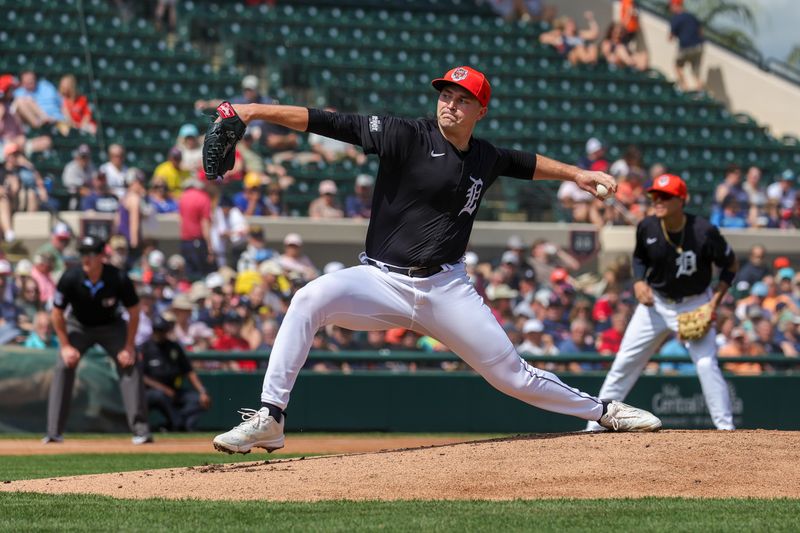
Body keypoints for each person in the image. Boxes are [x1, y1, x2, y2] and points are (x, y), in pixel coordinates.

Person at [209, 65, 661, 454]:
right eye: (446, 95)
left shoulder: (485, 156)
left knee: (513, 377)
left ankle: (605, 411)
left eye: (463, 100)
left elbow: (526, 162)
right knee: (309, 299)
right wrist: (253, 111)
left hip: (446, 289)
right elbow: (328, 121)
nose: (450, 104)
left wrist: (578, 174)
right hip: (381, 281)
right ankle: (271, 417)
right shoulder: (405, 134)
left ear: (480, 111)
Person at [587, 174, 737, 431]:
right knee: (624, 363)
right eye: (655, 195)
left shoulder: (704, 231)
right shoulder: (648, 226)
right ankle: (595, 427)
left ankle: (726, 430)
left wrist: (713, 304)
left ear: (682, 200)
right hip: (655, 305)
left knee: (705, 364)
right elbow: (639, 259)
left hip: (695, 303)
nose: (658, 200)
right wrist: (638, 282)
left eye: (665, 196)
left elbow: (730, 266)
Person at [44, 235, 151, 444]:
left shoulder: (117, 277)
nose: (86, 258)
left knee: (130, 363)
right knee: (63, 365)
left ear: (102, 255)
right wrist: (65, 346)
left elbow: (134, 311)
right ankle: (53, 431)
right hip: (79, 325)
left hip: (111, 326)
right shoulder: (70, 277)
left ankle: (141, 431)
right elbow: (57, 313)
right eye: (83, 253)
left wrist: (129, 346)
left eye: (91, 253)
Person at [140, 314, 211, 431]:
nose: (159, 334)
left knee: (197, 399)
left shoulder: (173, 347)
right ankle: (176, 423)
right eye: (157, 330)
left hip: (174, 389)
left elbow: (189, 371)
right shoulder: (145, 348)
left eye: (162, 330)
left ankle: (176, 424)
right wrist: (164, 389)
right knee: (160, 396)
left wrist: (202, 391)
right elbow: (142, 376)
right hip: (150, 392)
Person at [178, 178, 214, 278]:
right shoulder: (203, 198)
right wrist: (210, 247)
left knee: (189, 273)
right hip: (198, 241)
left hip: (185, 241)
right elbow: (205, 224)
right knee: (200, 274)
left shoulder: (183, 196)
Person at [669, 0, 704, 92]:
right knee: (695, 72)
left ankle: (685, 88)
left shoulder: (676, 18)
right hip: (698, 47)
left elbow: (670, 37)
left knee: (677, 66)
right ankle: (699, 91)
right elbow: (700, 32)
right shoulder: (691, 16)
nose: (671, 8)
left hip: (686, 47)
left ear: (676, 5)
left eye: (671, 6)